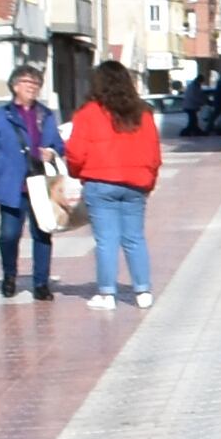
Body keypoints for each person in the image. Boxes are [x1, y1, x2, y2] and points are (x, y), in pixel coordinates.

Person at [68, 57, 163, 308]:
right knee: (134, 238)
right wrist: (149, 182)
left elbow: (76, 151)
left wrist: (76, 172)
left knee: (106, 239)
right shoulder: (143, 113)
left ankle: (107, 293)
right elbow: (154, 153)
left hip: (100, 183)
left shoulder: (88, 113)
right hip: (136, 183)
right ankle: (143, 292)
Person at [0, 63, 67, 302]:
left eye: (36, 84)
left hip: (41, 184)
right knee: (9, 235)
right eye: (27, 83)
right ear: (15, 86)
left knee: (42, 234)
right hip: (12, 184)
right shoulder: (0, 116)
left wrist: (51, 152)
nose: (33, 88)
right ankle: (9, 275)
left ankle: (41, 282)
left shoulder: (46, 115)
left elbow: (58, 145)